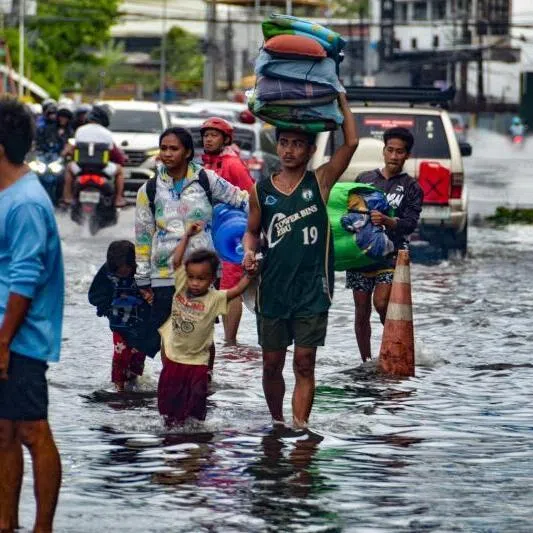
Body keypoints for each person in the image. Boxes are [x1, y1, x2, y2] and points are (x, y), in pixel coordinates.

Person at [242, 92, 358, 428]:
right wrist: (249, 253)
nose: (289, 150)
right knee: (271, 365)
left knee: (305, 363)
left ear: (310, 151)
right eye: (284, 143)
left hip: (312, 289)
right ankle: (278, 423)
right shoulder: (260, 191)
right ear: (276, 147)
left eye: (297, 144)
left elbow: (351, 143)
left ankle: (300, 427)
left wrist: (341, 101)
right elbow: (252, 232)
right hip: (273, 289)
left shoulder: (319, 182)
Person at [0, 98, 64, 533]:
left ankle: (43, 528)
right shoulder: (9, 193)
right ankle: (7, 523)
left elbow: (25, 278)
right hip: (6, 334)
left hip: (18, 337)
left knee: (32, 431)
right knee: (4, 432)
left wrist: (3, 343)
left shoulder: (25, 202)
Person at [135, 127, 248, 343]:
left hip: (202, 274)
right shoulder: (148, 189)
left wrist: (254, 234)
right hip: (163, 275)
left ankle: (206, 377)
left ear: (187, 152)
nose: (167, 153)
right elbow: (142, 237)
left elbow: (243, 200)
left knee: (203, 337)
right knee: (168, 337)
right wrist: (142, 279)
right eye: (164, 148)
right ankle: (172, 378)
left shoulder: (207, 180)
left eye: (173, 149)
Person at [158, 222, 253, 425]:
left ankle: (196, 445)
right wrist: (187, 236)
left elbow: (236, 291)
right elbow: (176, 262)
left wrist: (250, 273)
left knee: (196, 411)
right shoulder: (182, 285)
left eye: (201, 279)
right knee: (169, 410)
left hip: (198, 365)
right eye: (191, 277)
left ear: (211, 279)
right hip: (174, 360)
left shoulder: (215, 298)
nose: (194, 282)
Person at [346, 127, 423, 363]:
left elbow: (411, 223)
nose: (394, 156)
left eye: (400, 152)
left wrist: (390, 221)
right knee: (361, 310)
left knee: (381, 303)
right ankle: (367, 361)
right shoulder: (365, 179)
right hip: (361, 255)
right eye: (390, 150)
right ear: (384, 151)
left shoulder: (411, 187)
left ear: (407, 155)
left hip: (393, 256)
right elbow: (350, 212)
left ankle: (396, 348)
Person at [200, 117, 254, 345]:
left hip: (232, 236)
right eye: (206, 135)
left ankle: (230, 342)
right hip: (210, 233)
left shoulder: (232, 164)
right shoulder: (205, 164)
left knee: (231, 288)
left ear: (225, 139)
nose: (208, 139)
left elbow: (252, 195)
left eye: (214, 135)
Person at [88, 241, 160, 392]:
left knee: (138, 355)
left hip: (142, 324)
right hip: (120, 323)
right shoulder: (107, 271)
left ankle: (133, 382)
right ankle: (119, 386)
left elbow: (157, 292)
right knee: (121, 355)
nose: (123, 273)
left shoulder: (144, 271)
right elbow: (96, 293)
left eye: (126, 269)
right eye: (119, 271)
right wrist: (106, 308)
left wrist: (151, 299)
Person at [62, 104, 127, 207]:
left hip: (81, 168)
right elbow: (114, 153)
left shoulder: (80, 130)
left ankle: (67, 196)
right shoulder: (107, 133)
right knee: (120, 171)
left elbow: (75, 150)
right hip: (102, 169)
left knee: (69, 168)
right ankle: (118, 198)